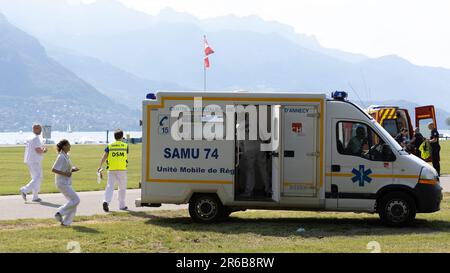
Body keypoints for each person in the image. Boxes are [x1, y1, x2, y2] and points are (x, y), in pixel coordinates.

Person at [98, 129, 129, 212]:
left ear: (114, 137)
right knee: (122, 188)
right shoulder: (125, 146)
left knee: (110, 186)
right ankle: (122, 206)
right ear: (122, 136)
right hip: (122, 169)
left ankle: (106, 202)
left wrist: (100, 166)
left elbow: (104, 157)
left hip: (111, 169)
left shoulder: (110, 146)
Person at [52, 140, 80, 226]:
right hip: (62, 183)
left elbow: (65, 168)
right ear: (64, 146)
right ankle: (59, 212)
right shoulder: (61, 156)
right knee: (76, 200)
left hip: (66, 182)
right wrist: (66, 173)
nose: (70, 146)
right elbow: (54, 169)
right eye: (68, 145)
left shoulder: (66, 156)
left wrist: (72, 170)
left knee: (73, 203)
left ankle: (66, 223)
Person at [20, 124, 48, 202]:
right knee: (38, 177)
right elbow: (38, 150)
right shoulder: (35, 138)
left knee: (36, 178)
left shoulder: (30, 137)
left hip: (30, 160)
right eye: (39, 129)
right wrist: (44, 150)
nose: (41, 130)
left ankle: (35, 196)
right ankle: (24, 190)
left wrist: (42, 148)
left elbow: (36, 148)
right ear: (35, 129)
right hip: (34, 160)